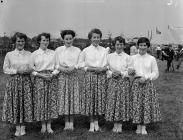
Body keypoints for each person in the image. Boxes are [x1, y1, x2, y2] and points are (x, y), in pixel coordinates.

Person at [2, 32, 33, 136]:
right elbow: (5, 69)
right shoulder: (9, 54)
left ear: (25, 42)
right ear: (15, 42)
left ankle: (23, 127)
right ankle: (17, 127)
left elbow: (32, 67)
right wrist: (16, 71)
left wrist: (28, 70)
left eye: (22, 41)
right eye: (18, 41)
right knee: (16, 103)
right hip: (14, 82)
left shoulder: (29, 54)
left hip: (26, 82)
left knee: (24, 103)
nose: (21, 43)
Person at [130, 37, 161, 135]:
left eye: (145, 45)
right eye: (140, 45)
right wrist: (131, 72)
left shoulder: (151, 59)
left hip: (147, 84)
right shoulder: (133, 58)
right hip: (136, 83)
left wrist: (146, 77)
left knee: (146, 105)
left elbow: (156, 73)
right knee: (137, 104)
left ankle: (144, 126)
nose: (142, 47)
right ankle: (138, 125)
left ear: (148, 47)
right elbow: (129, 70)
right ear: (137, 46)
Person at [78, 28, 107, 132]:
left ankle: (96, 122)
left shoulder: (104, 50)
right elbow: (80, 64)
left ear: (100, 38)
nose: (96, 39)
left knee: (98, 99)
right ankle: (91, 123)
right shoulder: (85, 51)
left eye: (98, 37)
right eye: (94, 37)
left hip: (101, 77)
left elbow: (108, 64)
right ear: (90, 38)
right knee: (90, 99)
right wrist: (91, 68)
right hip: (90, 76)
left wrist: (103, 68)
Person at [31, 33, 59, 133]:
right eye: (43, 40)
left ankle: (49, 125)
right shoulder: (34, 54)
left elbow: (57, 66)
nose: (45, 42)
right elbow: (31, 70)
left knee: (50, 101)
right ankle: (43, 125)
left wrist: (53, 74)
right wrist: (41, 75)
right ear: (39, 41)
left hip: (51, 78)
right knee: (41, 102)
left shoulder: (53, 53)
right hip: (40, 79)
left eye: (47, 40)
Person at [55, 30, 81, 130]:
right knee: (65, 98)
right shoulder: (58, 50)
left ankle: (72, 122)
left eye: (70, 39)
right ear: (63, 39)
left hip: (73, 75)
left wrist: (74, 67)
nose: (68, 41)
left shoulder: (77, 50)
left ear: (73, 39)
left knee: (72, 98)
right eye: (66, 39)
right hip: (62, 76)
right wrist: (62, 69)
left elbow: (79, 63)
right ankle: (66, 122)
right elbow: (56, 64)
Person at [105, 36, 132, 133]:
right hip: (112, 81)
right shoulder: (109, 56)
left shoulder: (128, 57)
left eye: (121, 44)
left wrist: (121, 73)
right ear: (114, 45)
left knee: (121, 102)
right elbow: (106, 68)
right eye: (117, 44)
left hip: (123, 82)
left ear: (124, 45)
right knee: (113, 102)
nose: (119, 46)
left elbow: (130, 71)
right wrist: (112, 73)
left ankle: (120, 124)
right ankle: (114, 124)